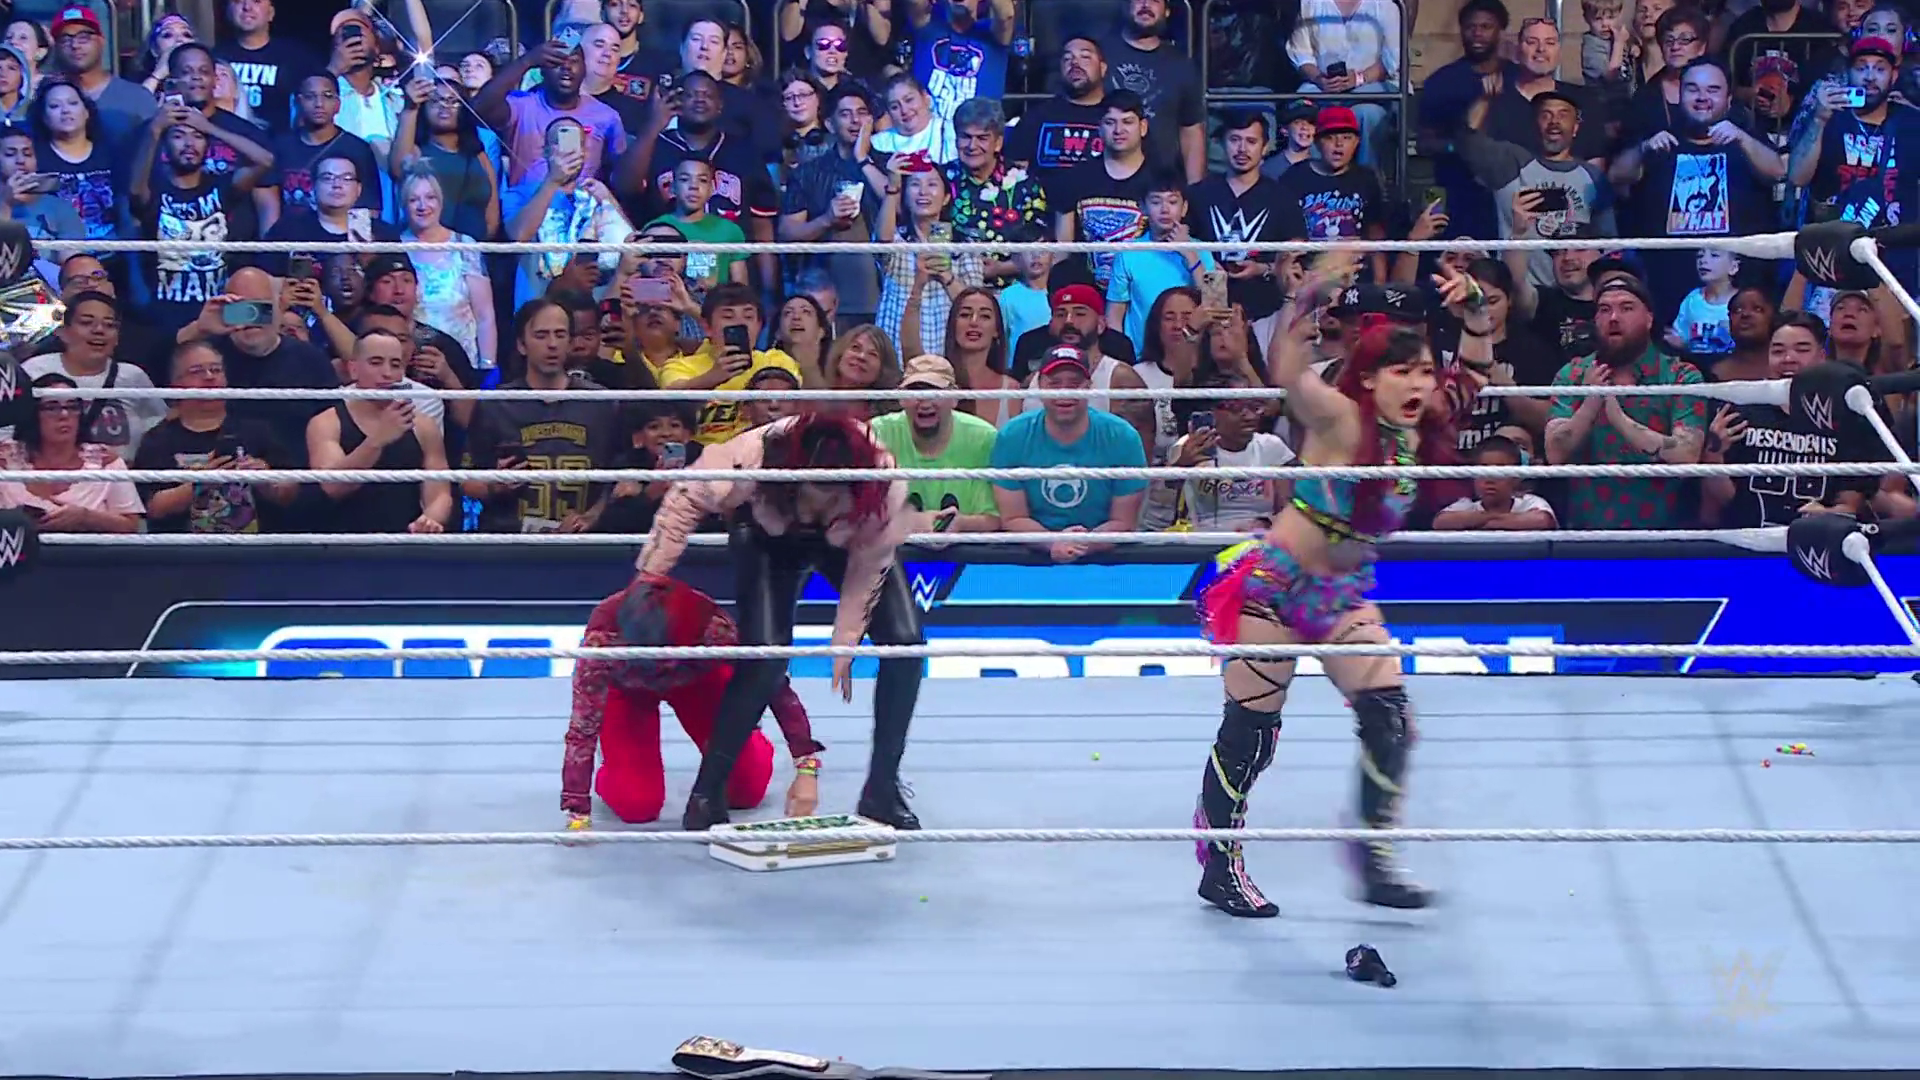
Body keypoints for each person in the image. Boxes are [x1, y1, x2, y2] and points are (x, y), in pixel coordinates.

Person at [1189, 251, 1492, 918]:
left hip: (1342, 594)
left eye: (1423, 370)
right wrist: (1308, 297)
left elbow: (1474, 371)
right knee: (1250, 731)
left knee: (1390, 719)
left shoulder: (1416, 429)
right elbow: (1288, 373)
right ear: (1370, 376)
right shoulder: (1339, 418)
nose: (1418, 383)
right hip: (1275, 587)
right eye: (1401, 371)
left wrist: (1473, 309)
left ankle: (1374, 855)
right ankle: (1219, 862)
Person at [636, 411, 923, 831]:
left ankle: (882, 788)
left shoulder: (882, 484)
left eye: (832, 492)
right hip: (766, 532)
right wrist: (651, 577)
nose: (821, 502)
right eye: (816, 489)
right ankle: (707, 793)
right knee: (764, 658)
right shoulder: (750, 459)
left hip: (848, 534)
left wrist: (846, 642)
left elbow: (869, 566)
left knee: (906, 643)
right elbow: (684, 499)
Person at [562, 575, 826, 828]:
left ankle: (750, 737)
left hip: (697, 678)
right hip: (628, 691)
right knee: (636, 806)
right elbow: (583, 727)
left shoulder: (713, 628)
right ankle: (614, 765)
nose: (661, 667)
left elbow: (772, 682)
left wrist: (806, 764)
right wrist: (577, 810)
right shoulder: (602, 644)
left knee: (747, 791)